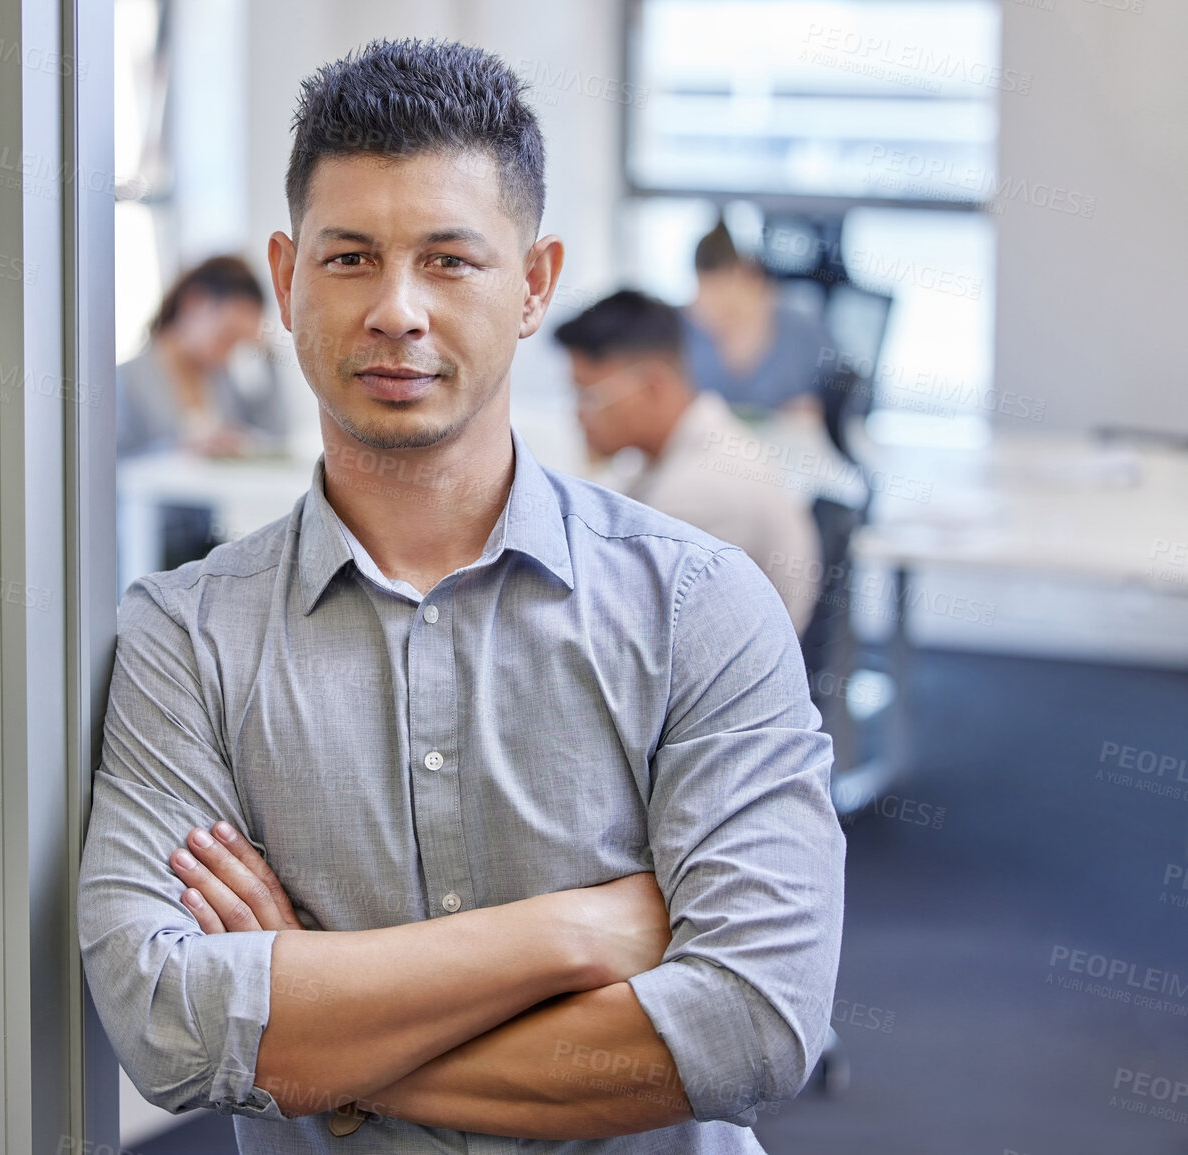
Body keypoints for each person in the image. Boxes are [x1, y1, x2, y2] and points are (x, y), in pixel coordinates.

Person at [78, 39, 843, 1154]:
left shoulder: (699, 605)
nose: (397, 310)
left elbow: (755, 1026)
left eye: (449, 260)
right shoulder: (185, 635)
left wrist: (315, 1055)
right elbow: (165, 1030)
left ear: (533, 284)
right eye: (349, 260)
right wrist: (577, 933)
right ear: (287, 279)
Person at [555, 290, 821, 632]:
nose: (577, 415)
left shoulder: (701, 488)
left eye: (588, 396)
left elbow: (615, 623)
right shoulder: (672, 454)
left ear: (652, 387)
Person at [116, 255, 286, 458]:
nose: (229, 353)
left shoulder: (222, 379)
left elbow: (275, 436)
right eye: (228, 335)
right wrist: (179, 448)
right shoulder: (125, 379)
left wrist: (268, 359)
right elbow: (112, 467)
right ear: (193, 303)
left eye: (241, 342)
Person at [684, 220, 832, 419]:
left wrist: (817, 408)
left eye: (728, 306)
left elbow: (846, 399)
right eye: (706, 296)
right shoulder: (683, 329)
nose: (717, 314)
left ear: (753, 279)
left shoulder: (800, 327)